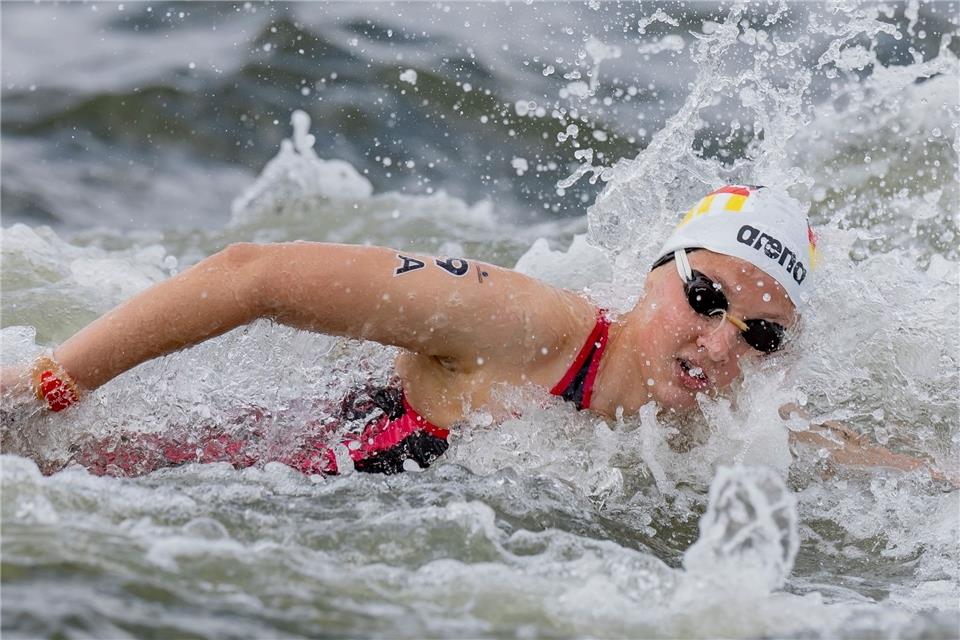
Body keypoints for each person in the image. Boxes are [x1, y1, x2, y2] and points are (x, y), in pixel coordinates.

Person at [0, 185, 947, 480]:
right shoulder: (528, 324)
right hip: (189, 471)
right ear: (650, 277)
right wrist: (48, 385)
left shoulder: (720, 433)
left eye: (762, 336)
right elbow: (256, 274)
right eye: (703, 298)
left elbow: (860, 459)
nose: (721, 344)